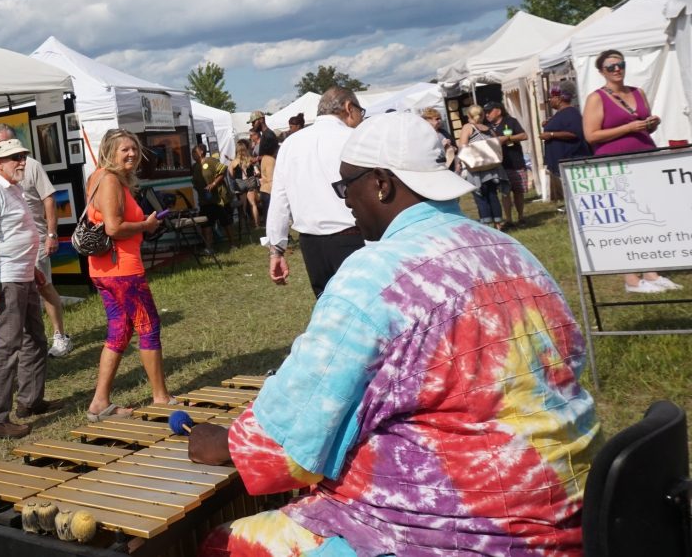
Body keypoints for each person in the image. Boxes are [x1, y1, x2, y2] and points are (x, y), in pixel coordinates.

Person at [189, 113, 601, 556]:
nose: (345, 201)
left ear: (382, 183)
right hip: (569, 514)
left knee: (225, 543)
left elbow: (288, 435)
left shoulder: (377, 275)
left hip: (458, 535)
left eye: (346, 186)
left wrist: (220, 443)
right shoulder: (513, 253)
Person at [0, 139, 62, 439]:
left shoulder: (14, 189)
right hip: (8, 277)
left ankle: (30, 400)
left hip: (23, 274)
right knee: (8, 345)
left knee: (35, 338)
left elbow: (18, 232)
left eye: (23, 156)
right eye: (14, 158)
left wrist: (34, 269)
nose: (21, 162)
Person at [85, 129, 173, 421]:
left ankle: (99, 402)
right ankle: (161, 398)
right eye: (124, 149)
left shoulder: (99, 177)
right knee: (149, 325)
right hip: (122, 270)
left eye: (134, 149)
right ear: (109, 151)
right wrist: (146, 226)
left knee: (120, 330)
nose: (132, 154)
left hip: (105, 270)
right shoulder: (109, 180)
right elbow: (113, 227)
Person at [582, 49, 680, 294]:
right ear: (601, 71)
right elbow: (591, 135)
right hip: (614, 163)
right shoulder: (596, 98)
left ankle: (651, 272)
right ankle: (631, 279)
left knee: (650, 216)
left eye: (620, 65)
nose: (617, 70)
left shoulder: (638, 92)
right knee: (627, 219)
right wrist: (628, 128)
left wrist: (650, 124)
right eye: (611, 67)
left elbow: (642, 127)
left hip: (645, 159)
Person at [266, 87, 365, 297]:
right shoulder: (353, 137)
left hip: (312, 245)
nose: (361, 119)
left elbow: (279, 199)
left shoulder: (290, 143)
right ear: (349, 108)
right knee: (367, 306)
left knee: (329, 310)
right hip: (353, 237)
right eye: (360, 112)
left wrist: (277, 249)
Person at [0, 124, 72, 357]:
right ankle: (9, 342)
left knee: (43, 286)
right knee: (10, 293)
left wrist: (51, 234)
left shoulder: (31, 165)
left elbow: (49, 199)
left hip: (35, 239)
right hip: (9, 245)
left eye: (3, 143)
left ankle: (59, 335)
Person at [457, 104, 508, 230]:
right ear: (483, 115)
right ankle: (498, 224)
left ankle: (487, 225)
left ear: (469, 115)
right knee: (492, 195)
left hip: (476, 168)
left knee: (481, 197)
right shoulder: (488, 128)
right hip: (492, 167)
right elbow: (496, 143)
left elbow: (462, 146)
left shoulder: (468, 127)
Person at [540, 80, 591, 200]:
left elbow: (574, 133)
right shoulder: (561, 113)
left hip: (571, 159)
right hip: (562, 160)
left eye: (551, 97)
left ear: (559, 98)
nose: (550, 100)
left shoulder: (571, 113)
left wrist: (551, 134)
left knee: (575, 192)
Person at [484, 100, 529, 227]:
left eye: (489, 111)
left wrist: (507, 138)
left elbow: (524, 135)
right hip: (499, 165)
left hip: (515, 162)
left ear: (498, 110)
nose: (487, 115)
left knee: (518, 191)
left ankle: (521, 217)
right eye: (485, 112)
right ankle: (508, 219)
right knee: (504, 193)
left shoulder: (511, 121)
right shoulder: (486, 126)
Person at [191, 143, 234, 253]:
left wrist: (214, 184)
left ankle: (232, 244)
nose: (192, 154)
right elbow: (195, 181)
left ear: (201, 152)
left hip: (218, 198)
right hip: (205, 200)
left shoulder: (211, 161)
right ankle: (209, 247)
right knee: (206, 223)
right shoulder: (195, 167)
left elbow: (223, 170)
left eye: (194, 152)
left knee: (225, 220)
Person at [248, 110, 279, 215]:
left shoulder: (268, 135)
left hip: (271, 178)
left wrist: (257, 159)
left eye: (253, 122)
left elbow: (273, 156)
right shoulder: (265, 135)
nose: (252, 124)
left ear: (261, 120)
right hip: (266, 176)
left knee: (270, 207)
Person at [228, 139, 261, 229]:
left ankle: (243, 227)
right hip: (250, 182)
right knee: (253, 204)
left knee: (242, 207)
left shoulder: (234, 162)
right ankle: (257, 224)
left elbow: (231, 175)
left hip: (240, 183)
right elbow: (256, 169)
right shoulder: (250, 159)